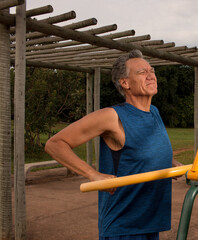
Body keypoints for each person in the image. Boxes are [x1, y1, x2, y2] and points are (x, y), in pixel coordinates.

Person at [45, 49, 182, 240]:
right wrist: (93, 174)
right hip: (124, 227)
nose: (151, 76)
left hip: (152, 222)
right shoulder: (112, 116)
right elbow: (55, 144)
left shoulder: (154, 112)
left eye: (152, 71)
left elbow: (143, 152)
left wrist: (169, 162)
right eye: (142, 72)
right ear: (124, 83)